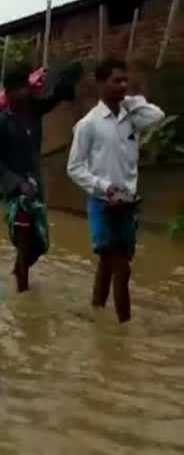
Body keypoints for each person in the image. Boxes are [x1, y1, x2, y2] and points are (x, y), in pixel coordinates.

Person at [67, 58, 164, 323]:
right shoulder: (89, 124)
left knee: (108, 262)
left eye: (125, 80)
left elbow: (157, 116)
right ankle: (124, 331)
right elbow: (74, 168)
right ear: (100, 83)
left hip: (129, 203)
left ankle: (96, 310)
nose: (123, 85)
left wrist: (134, 102)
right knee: (122, 268)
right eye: (116, 80)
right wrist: (105, 187)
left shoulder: (132, 117)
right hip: (103, 203)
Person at [0, 64, 76, 292]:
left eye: (25, 88)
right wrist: (17, 183)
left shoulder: (34, 110)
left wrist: (64, 86)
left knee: (40, 246)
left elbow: (54, 98)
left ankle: (20, 270)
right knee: (25, 245)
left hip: (36, 187)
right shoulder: (1, 124)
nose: (24, 93)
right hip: (16, 193)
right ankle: (23, 299)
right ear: (8, 93)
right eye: (17, 90)